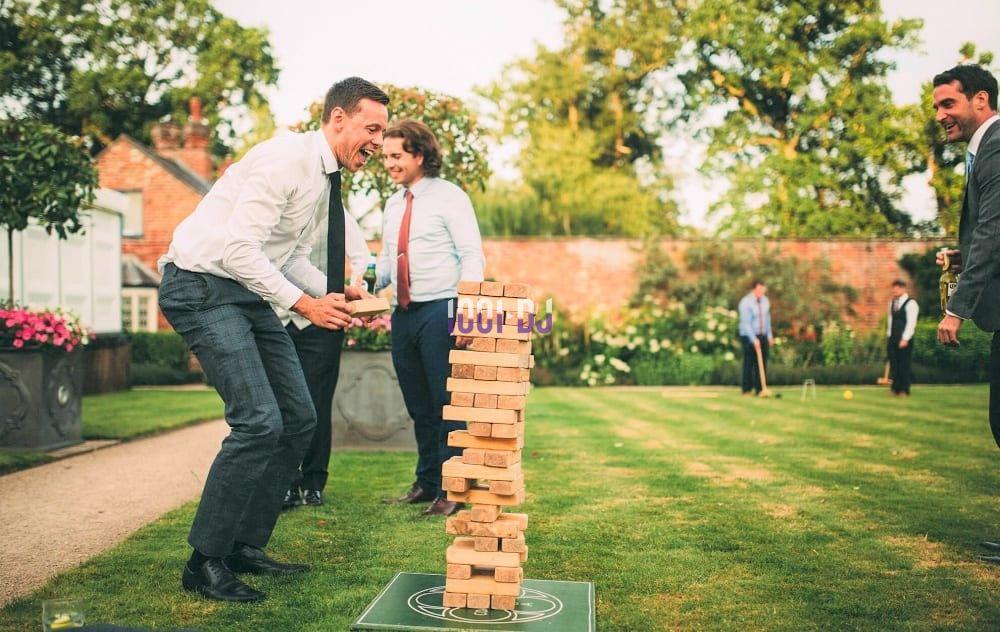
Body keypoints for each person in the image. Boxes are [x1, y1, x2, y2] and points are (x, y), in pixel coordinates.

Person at [157, 76, 389, 602]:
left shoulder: (325, 179)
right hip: (201, 286)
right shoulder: (287, 160)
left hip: (245, 291)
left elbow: (285, 257)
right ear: (338, 119)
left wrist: (337, 292)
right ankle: (205, 561)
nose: (376, 141)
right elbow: (240, 250)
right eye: (370, 128)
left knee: (299, 416)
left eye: (381, 131)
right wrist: (306, 304)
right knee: (259, 420)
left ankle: (243, 545)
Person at [375, 119, 485, 517]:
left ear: (419, 154)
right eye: (385, 156)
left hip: (441, 310)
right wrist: (366, 281)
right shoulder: (393, 204)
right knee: (419, 406)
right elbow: (388, 262)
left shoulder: (449, 197)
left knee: (446, 404)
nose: (388, 163)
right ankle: (426, 482)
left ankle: (453, 489)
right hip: (403, 315)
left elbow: (471, 255)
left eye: (396, 155)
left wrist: (467, 313)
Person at [931, 63, 1000, 565]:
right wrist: (962, 255)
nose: (940, 115)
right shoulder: (983, 153)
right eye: (937, 107)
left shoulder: (996, 146)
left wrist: (956, 309)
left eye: (947, 104)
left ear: (981, 100)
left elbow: (995, 232)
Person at [280, 207, 375, 509]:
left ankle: (313, 481)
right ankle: (284, 482)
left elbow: (362, 257)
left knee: (317, 401)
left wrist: (359, 289)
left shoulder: (338, 213)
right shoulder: (278, 207)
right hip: (278, 318)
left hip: (324, 322)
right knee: (282, 403)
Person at [738, 280, 773, 396]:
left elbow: (767, 319)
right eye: (759, 290)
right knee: (749, 362)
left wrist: (769, 335)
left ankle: (760, 389)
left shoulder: (765, 301)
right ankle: (746, 389)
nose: (761, 293)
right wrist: (753, 339)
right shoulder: (745, 302)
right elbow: (746, 323)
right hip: (748, 335)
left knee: (762, 363)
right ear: (754, 289)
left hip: (762, 334)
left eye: (763, 290)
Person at [886, 279, 919, 397]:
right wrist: (889, 336)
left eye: (898, 288)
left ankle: (905, 389)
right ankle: (895, 388)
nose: (895, 290)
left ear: (903, 289)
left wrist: (905, 338)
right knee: (894, 364)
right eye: (893, 288)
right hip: (893, 338)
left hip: (905, 339)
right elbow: (891, 321)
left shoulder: (911, 303)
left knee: (904, 364)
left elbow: (911, 322)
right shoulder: (892, 303)